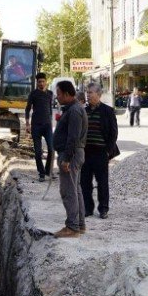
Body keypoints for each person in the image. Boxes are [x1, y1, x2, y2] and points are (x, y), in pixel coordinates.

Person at [52, 80, 87, 238]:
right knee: (75, 189)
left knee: (68, 190)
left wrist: (66, 158)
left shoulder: (74, 110)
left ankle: (72, 227)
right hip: (73, 154)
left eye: (58, 94)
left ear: (67, 94)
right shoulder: (73, 109)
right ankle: (79, 225)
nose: (57, 97)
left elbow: (73, 137)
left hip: (71, 155)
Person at [81, 82, 119, 220]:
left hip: (100, 152)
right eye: (87, 92)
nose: (88, 95)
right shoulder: (83, 111)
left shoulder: (107, 111)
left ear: (99, 94)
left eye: (90, 92)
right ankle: (87, 208)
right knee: (85, 182)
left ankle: (103, 209)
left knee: (102, 182)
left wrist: (108, 151)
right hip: (85, 152)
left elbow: (113, 133)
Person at [25, 72, 54, 182]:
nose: (41, 83)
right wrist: (27, 124)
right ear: (37, 83)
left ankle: (47, 170)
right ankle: (41, 173)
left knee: (51, 149)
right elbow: (27, 109)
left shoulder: (50, 94)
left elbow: (50, 109)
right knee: (38, 152)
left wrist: (50, 120)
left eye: (43, 81)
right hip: (36, 126)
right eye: (39, 82)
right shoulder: (33, 94)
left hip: (47, 126)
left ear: (46, 82)